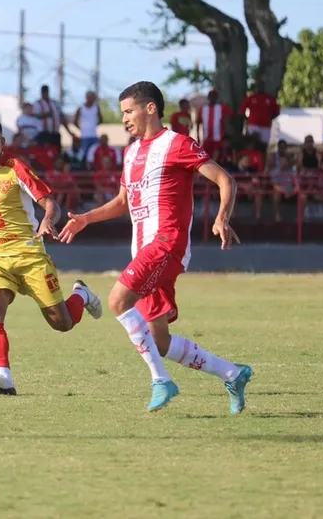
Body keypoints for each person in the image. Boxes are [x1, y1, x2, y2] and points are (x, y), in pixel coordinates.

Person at [58, 81, 253, 414]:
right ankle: (232, 373)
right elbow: (123, 201)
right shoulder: (131, 152)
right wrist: (86, 219)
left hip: (167, 241)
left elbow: (225, 180)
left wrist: (222, 217)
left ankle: (161, 380)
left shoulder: (177, 144)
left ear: (150, 108)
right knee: (159, 342)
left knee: (118, 299)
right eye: (122, 113)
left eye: (129, 111)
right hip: (144, 248)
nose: (125, 119)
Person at [0, 117, 103, 396]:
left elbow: (51, 204)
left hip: (28, 254)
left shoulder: (17, 169)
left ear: (1, 142)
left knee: (61, 323)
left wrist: (47, 221)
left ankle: (82, 295)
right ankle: (4, 377)